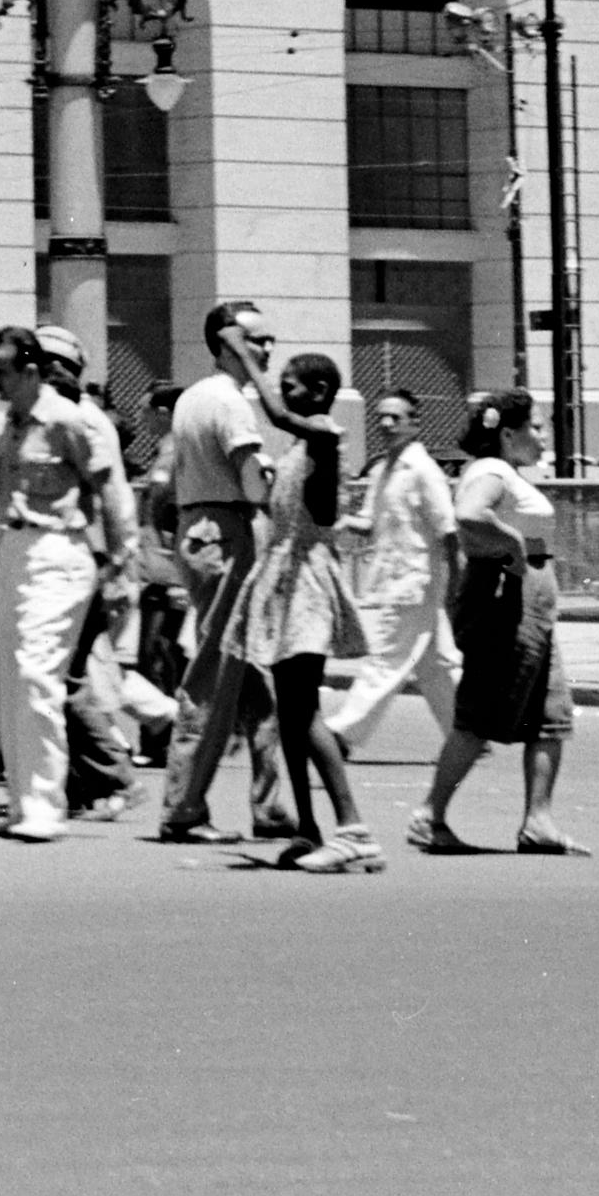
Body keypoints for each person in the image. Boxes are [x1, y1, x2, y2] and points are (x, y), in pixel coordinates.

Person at [0, 324, 132, 844]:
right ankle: (21, 801)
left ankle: (44, 805)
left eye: (1, 372)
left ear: (31, 371)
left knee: (38, 673)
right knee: (9, 679)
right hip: (13, 550)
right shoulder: (0, 426)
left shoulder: (70, 421)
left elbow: (110, 491)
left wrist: (122, 563)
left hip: (60, 550)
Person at [415, 389, 585, 856]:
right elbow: (469, 515)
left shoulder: (507, 472)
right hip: (506, 603)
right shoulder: (491, 471)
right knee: (481, 711)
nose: (543, 435)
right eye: (537, 426)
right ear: (508, 433)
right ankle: (432, 815)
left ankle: (538, 821)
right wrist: (512, 544)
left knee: (549, 714)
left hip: (530, 606)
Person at [153, 299, 290, 846]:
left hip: (202, 528)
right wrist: (275, 477)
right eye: (255, 339)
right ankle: (182, 808)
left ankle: (270, 805)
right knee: (213, 674)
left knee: (252, 682)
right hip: (226, 532)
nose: (266, 350)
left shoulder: (193, 398)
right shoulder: (231, 403)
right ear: (227, 342)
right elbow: (254, 483)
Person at [246, 353, 384, 869]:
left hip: (306, 583)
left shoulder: (324, 435)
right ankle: (309, 827)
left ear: (321, 390)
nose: (284, 396)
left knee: (303, 710)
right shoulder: (302, 445)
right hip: (284, 580)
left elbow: (278, 415)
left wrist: (239, 349)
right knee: (289, 711)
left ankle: (351, 827)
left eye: (293, 387)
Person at [327, 390, 462, 753]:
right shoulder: (385, 469)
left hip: (414, 581)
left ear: (414, 423)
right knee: (433, 666)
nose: (386, 425)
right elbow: (371, 522)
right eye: (381, 417)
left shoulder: (422, 469)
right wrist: (339, 523)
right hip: (396, 579)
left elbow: (448, 531)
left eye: (396, 418)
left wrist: (456, 585)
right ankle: (466, 731)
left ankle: (341, 732)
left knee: (387, 657)